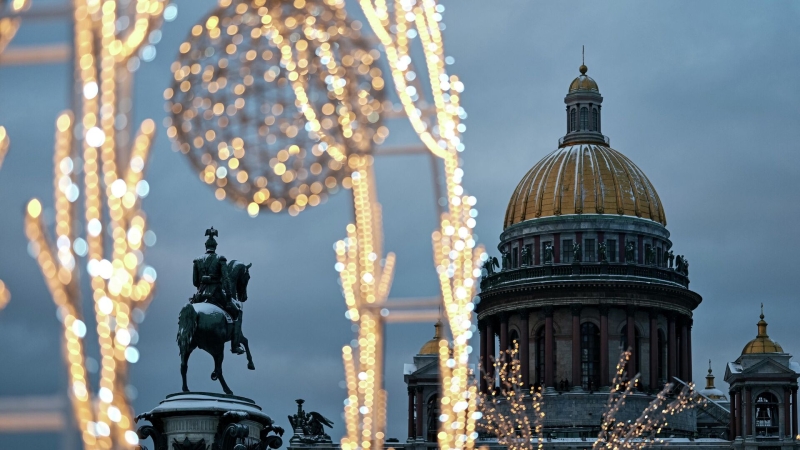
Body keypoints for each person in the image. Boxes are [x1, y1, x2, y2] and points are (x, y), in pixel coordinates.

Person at [192, 227, 244, 354]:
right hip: (216, 293)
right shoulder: (221, 259)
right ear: (216, 246)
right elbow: (226, 278)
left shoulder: (197, 260)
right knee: (237, 312)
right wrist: (229, 294)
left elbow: (194, 281)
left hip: (200, 294)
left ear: (206, 246)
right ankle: (235, 345)